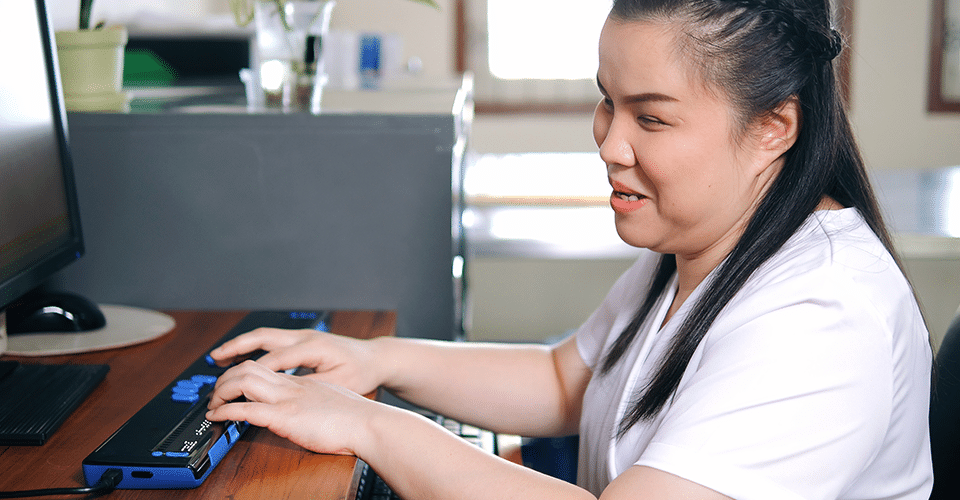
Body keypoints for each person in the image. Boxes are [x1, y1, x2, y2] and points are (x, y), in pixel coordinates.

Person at [205, 0, 934, 498]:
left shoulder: (824, 314)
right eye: (608, 102)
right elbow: (565, 380)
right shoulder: (704, 236)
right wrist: (375, 362)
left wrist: (367, 423)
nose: (610, 143)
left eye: (651, 118)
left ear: (775, 127)